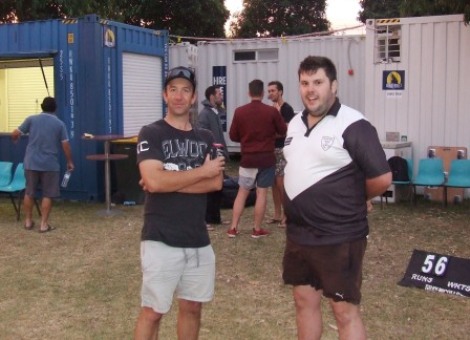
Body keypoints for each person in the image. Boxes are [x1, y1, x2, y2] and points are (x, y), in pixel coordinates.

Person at [282, 56, 392, 339]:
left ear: (334, 85)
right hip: (299, 235)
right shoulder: (294, 122)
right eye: (305, 83)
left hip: (340, 236)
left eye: (318, 82)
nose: (310, 90)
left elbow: (382, 178)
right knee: (303, 302)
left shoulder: (354, 124)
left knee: (344, 312)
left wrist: (356, 198)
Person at [134, 66, 225, 340]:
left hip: (198, 240)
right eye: (173, 89)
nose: (179, 95)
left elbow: (216, 184)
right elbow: (154, 182)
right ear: (165, 94)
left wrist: (167, 179)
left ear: (194, 97)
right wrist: (201, 173)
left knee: (193, 308)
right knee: (153, 311)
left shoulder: (205, 138)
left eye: (185, 90)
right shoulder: (151, 133)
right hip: (160, 238)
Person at [227, 79, 287, 239]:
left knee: (242, 192)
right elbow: (283, 130)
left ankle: (233, 228)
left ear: (249, 93)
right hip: (266, 159)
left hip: (248, 159)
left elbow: (233, 135)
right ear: (262, 93)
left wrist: (247, 138)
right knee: (261, 193)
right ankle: (257, 229)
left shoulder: (240, 111)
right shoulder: (272, 111)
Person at [11, 96, 74, 233]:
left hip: (31, 162)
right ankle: (43, 224)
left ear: (41, 107)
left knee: (29, 192)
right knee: (48, 194)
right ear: (55, 108)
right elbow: (65, 145)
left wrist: (15, 140)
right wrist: (69, 161)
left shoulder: (31, 119)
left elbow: (15, 133)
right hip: (49, 164)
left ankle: (28, 221)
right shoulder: (59, 124)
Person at [197, 85, 229, 230]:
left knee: (218, 187)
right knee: (209, 189)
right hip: (210, 157)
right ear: (211, 96)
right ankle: (204, 220)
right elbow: (201, 136)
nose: (221, 96)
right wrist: (207, 156)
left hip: (219, 154)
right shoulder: (204, 114)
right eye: (218, 94)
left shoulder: (214, 112)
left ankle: (215, 218)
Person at [267, 81, 295, 228]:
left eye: (273, 91)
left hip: (282, 150)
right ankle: (277, 214)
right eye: (269, 91)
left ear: (280, 92)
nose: (270, 93)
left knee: (281, 183)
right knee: (273, 183)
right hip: (271, 150)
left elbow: (285, 131)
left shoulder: (286, 109)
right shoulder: (271, 109)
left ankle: (287, 215)